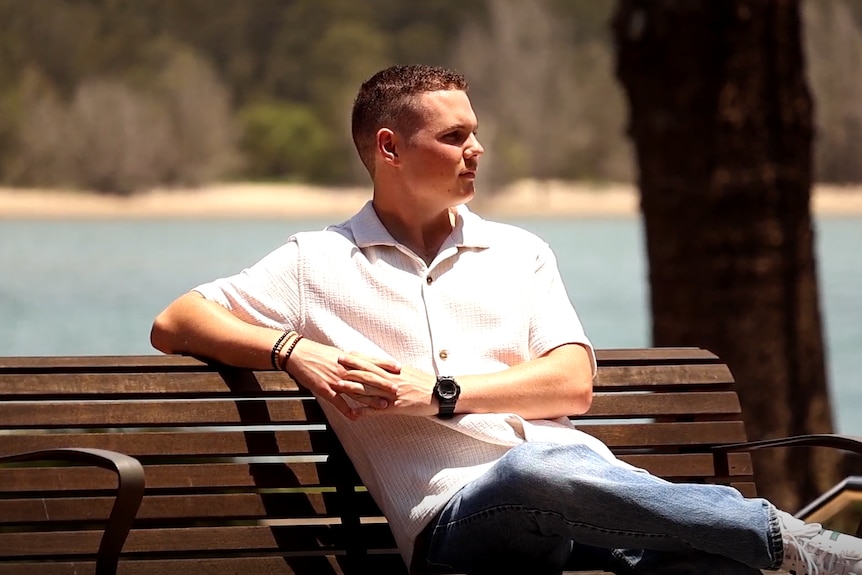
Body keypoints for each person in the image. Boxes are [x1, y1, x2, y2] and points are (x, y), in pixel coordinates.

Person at [150, 64, 862, 575]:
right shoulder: (317, 261)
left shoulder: (518, 251)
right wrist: (290, 348)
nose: (477, 150)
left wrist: (440, 393)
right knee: (537, 466)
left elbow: (572, 383)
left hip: (578, 495)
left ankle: (763, 544)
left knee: (703, 562)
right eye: (456, 136)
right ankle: (794, 538)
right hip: (456, 526)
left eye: (476, 132)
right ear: (390, 148)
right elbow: (176, 320)